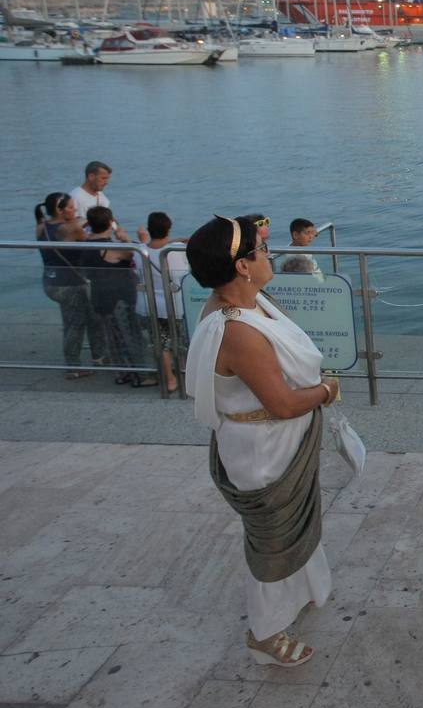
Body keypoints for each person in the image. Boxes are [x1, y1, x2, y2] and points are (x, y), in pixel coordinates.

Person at [183, 215, 339, 667]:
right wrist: (327, 390)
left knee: (296, 525)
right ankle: (265, 634)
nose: (269, 255)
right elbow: (285, 404)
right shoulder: (239, 331)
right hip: (264, 451)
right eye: (260, 250)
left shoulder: (245, 301)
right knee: (273, 539)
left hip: (276, 442)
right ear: (242, 267)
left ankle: (306, 587)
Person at [34, 192, 104, 378]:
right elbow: (93, 242)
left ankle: (98, 356)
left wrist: (81, 222)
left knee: (85, 317)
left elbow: (64, 235)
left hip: (51, 280)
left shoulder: (42, 226)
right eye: (71, 208)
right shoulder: (72, 227)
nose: (75, 211)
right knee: (77, 323)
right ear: (60, 210)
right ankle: (74, 366)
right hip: (71, 283)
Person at [85, 206, 152, 386]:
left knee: (113, 336)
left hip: (99, 296)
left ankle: (122, 373)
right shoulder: (112, 248)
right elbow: (140, 255)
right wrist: (129, 239)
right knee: (130, 335)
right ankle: (140, 376)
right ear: (110, 223)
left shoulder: (84, 242)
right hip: (119, 298)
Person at [136, 211, 190, 392]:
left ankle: (170, 379)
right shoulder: (174, 251)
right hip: (175, 305)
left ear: (149, 230)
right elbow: (183, 275)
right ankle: (189, 374)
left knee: (160, 343)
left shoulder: (140, 251)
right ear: (169, 228)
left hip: (149, 305)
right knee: (184, 341)